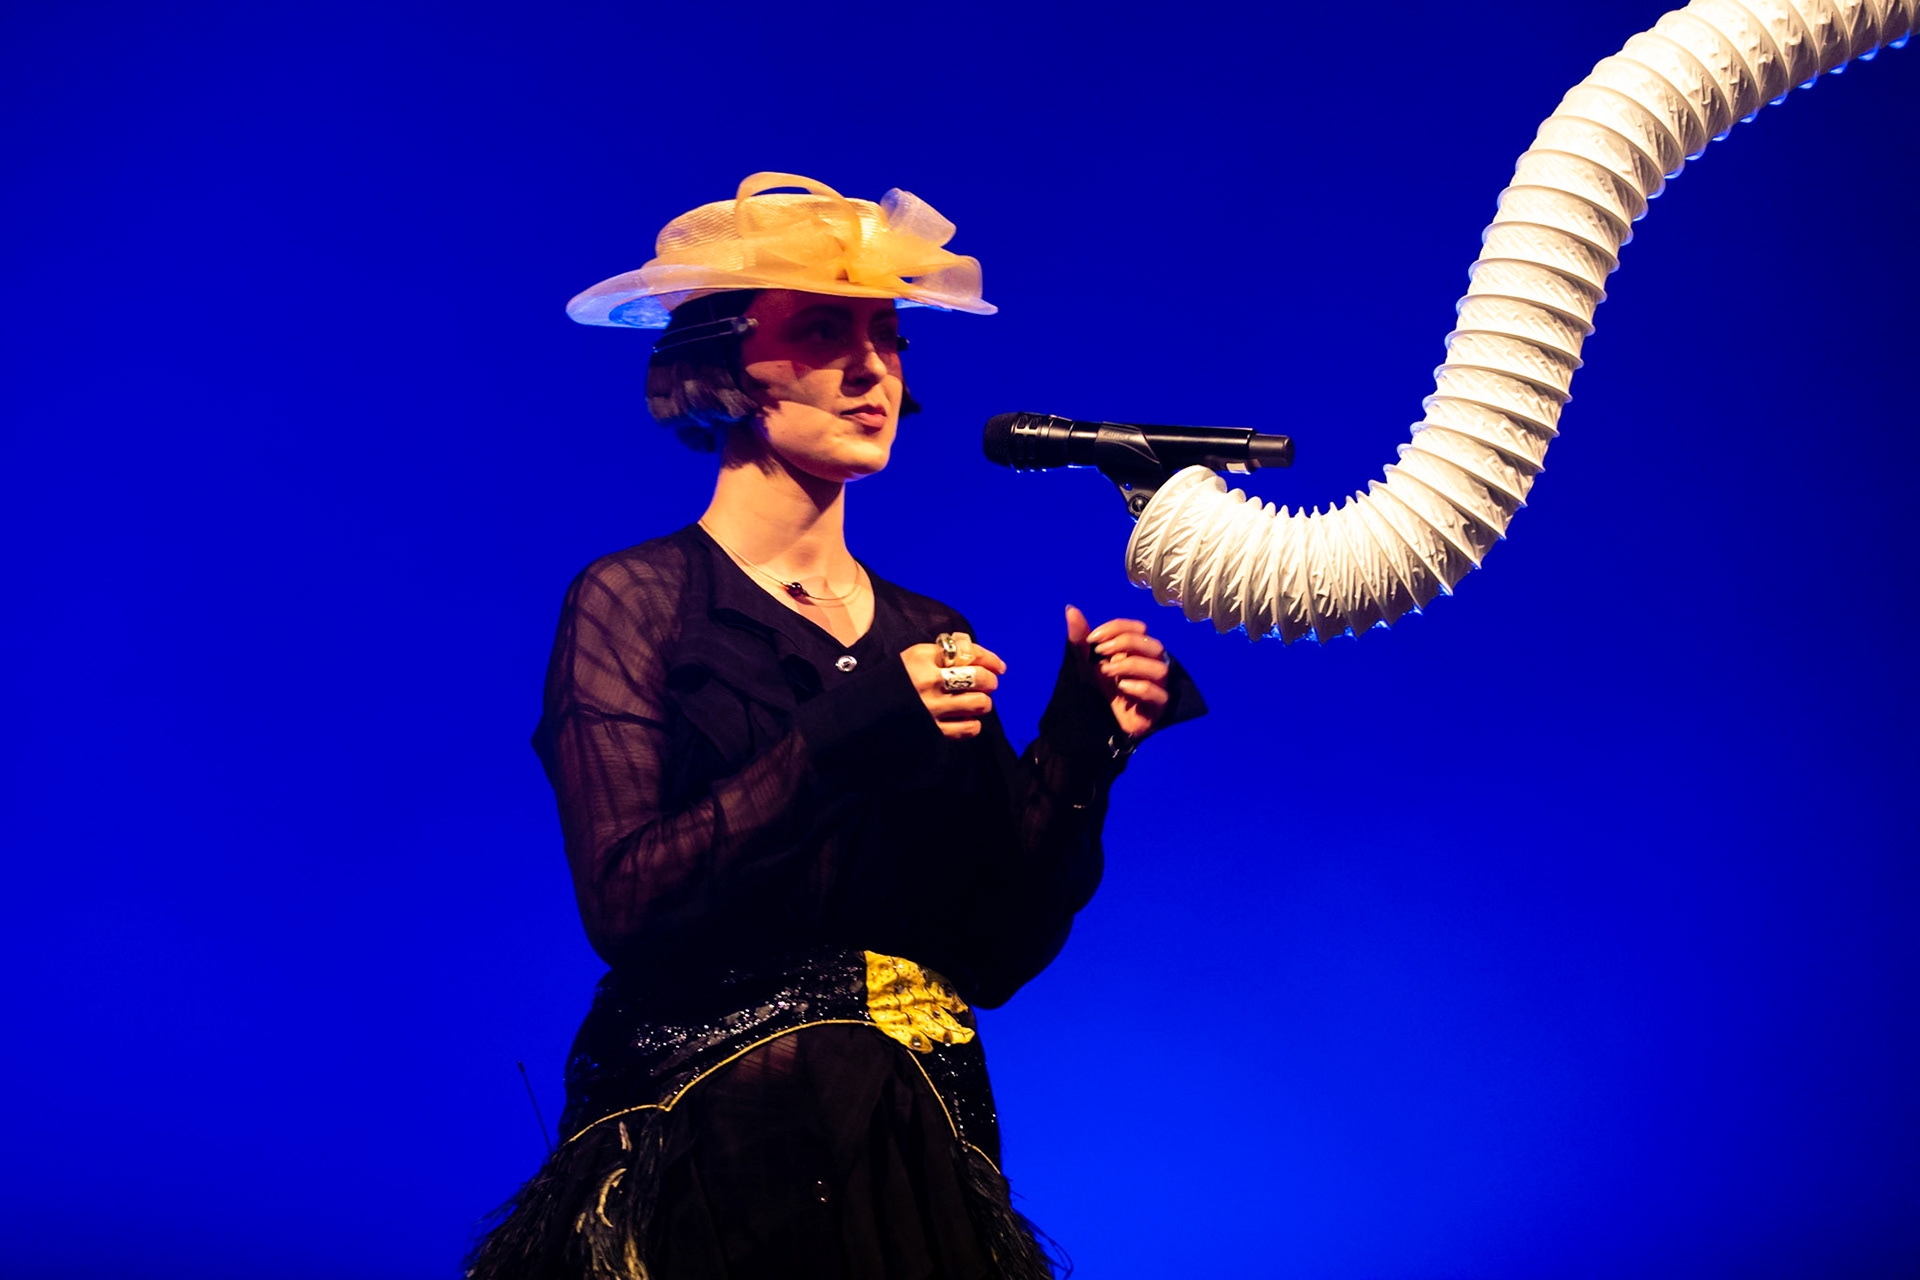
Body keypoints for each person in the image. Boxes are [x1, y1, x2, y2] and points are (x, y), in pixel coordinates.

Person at [467, 172, 1205, 1280]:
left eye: (889, 334)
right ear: (721, 365)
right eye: (822, 331)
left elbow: (988, 952)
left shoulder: (926, 626)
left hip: (908, 1157)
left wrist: (1080, 749)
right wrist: (847, 728)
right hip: (718, 1166)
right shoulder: (637, 599)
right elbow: (624, 897)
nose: (873, 368)